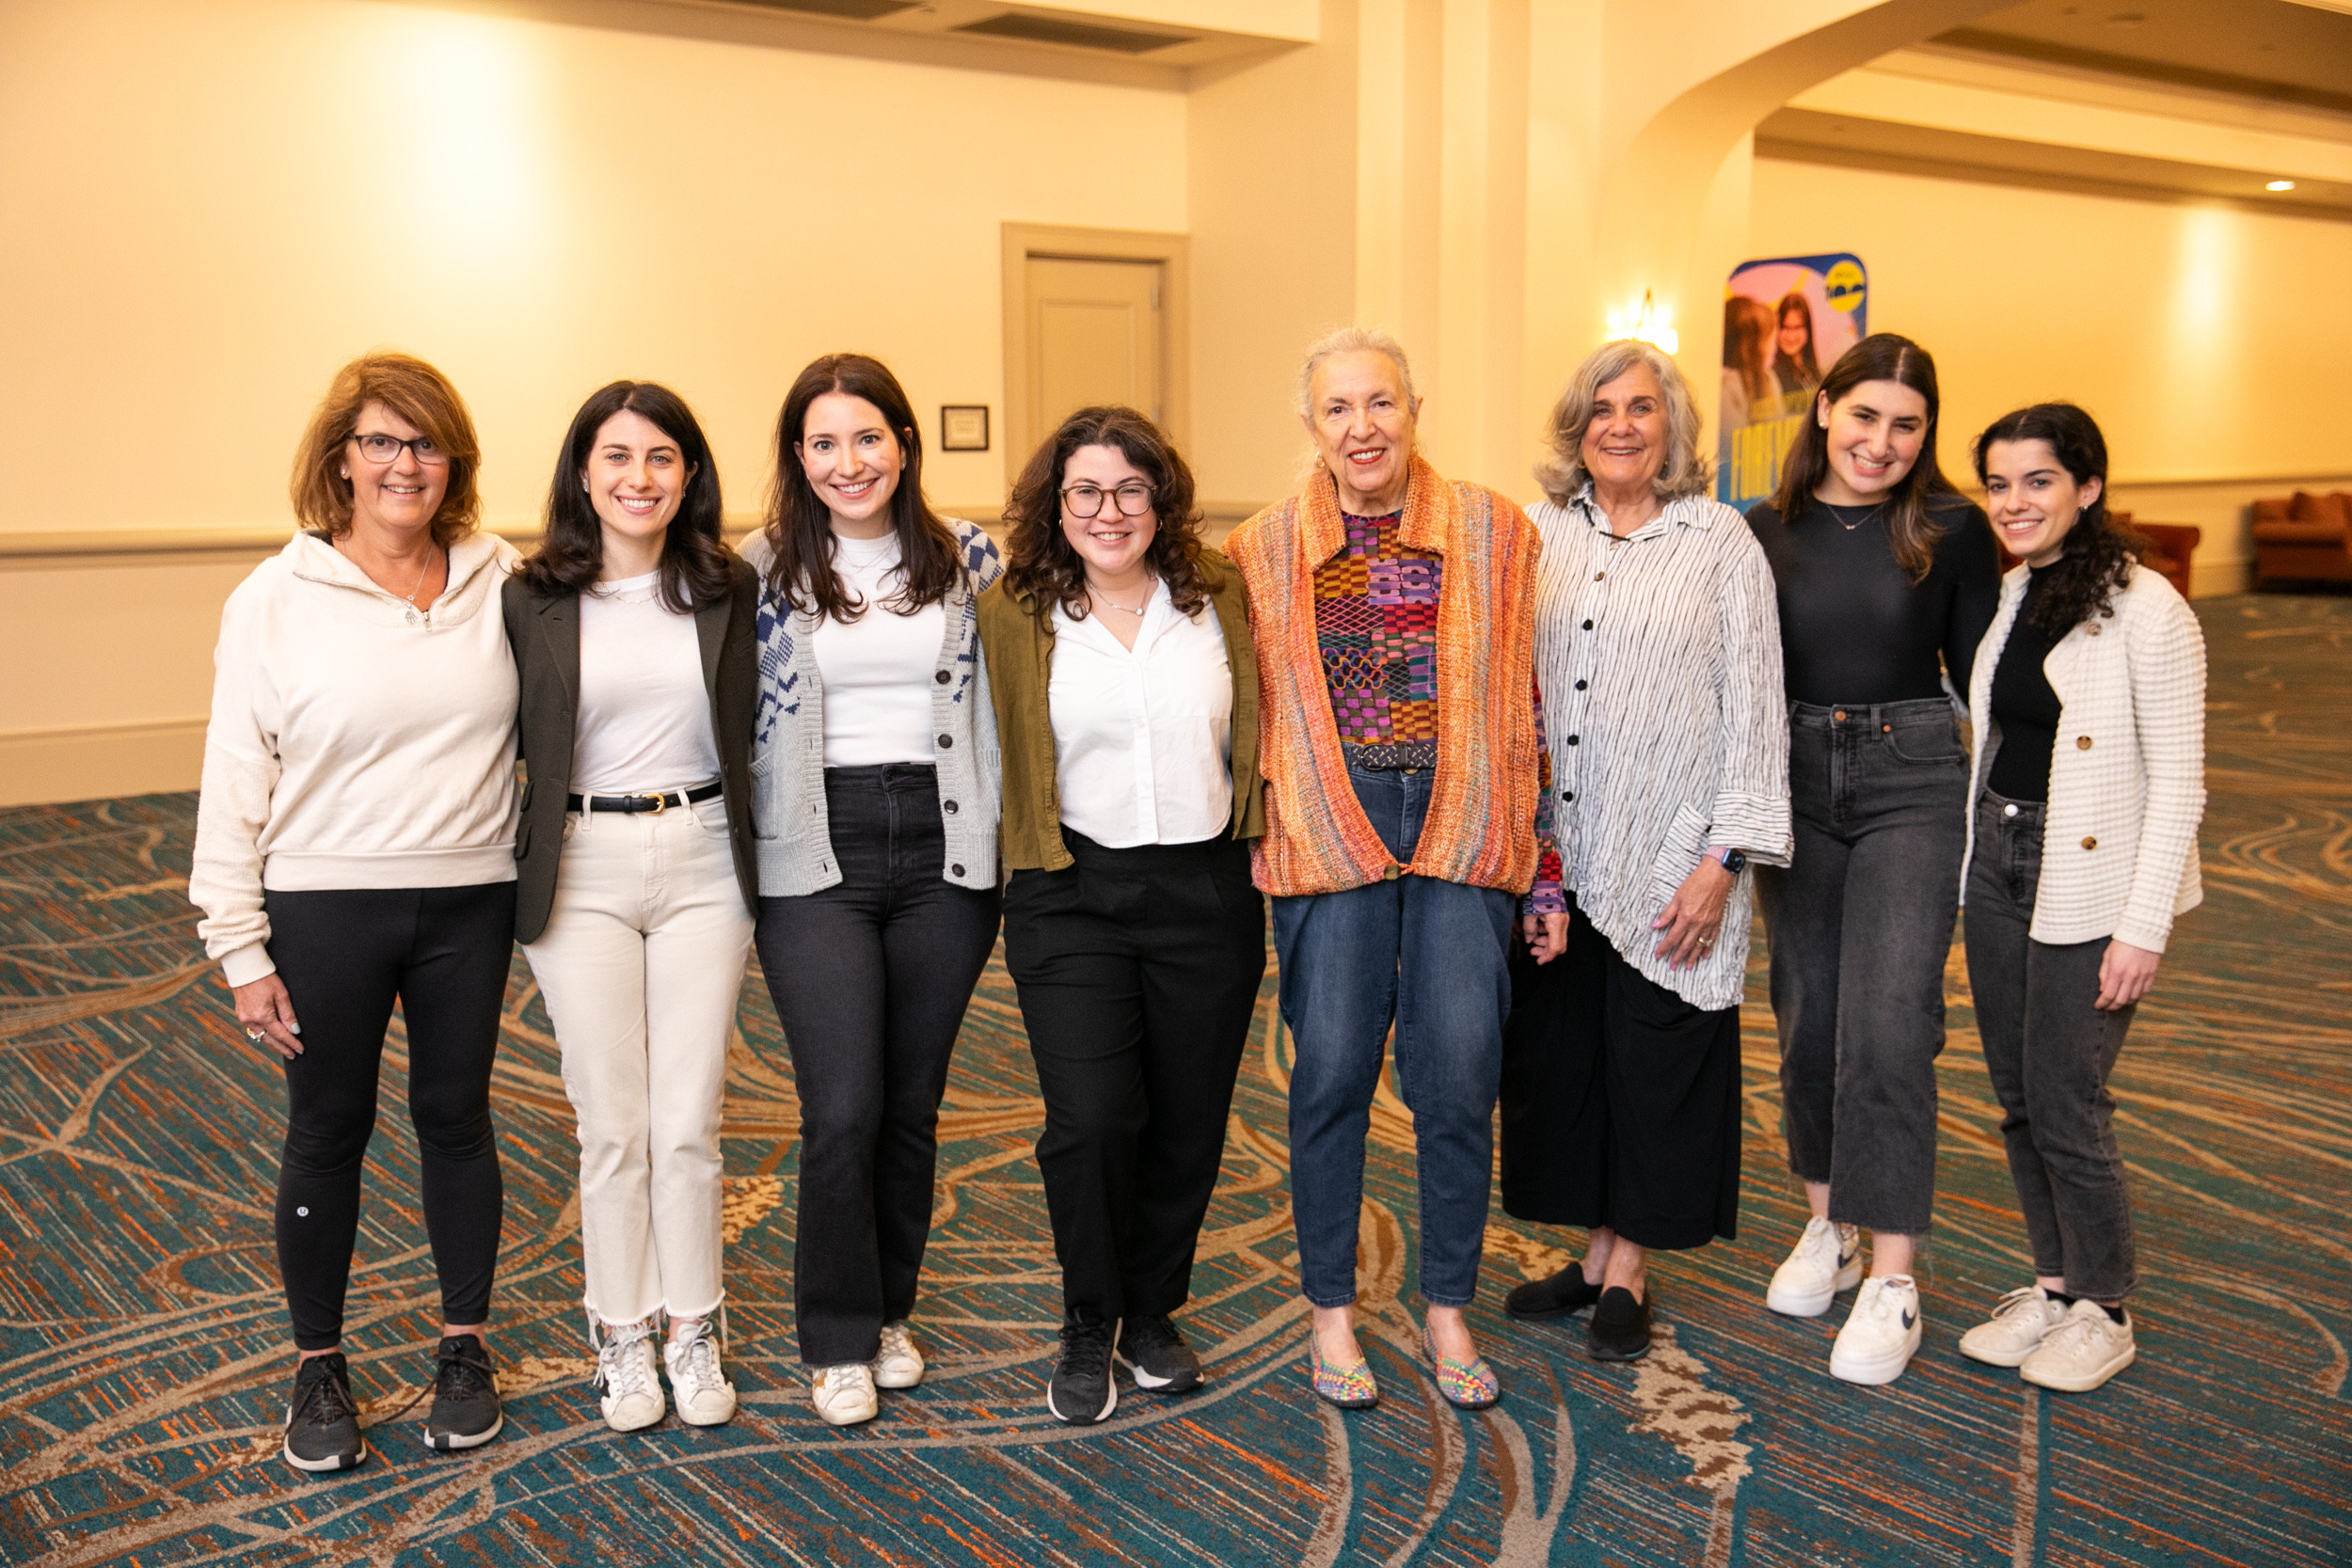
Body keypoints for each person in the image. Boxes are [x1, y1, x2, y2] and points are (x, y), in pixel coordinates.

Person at [190, 352, 519, 1472]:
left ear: (453, 462)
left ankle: (463, 1346)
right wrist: (238, 947)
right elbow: (234, 776)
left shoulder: (498, 576)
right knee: (330, 1127)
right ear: (341, 457)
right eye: (381, 440)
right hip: (325, 902)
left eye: (425, 442)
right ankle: (318, 1362)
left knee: (457, 1115)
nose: (404, 463)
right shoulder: (273, 600)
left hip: (471, 895)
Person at [1224, 326, 1563, 1413]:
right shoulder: (1260, 548)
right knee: (1327, 1072)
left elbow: (1530, 702)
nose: (1361, 427)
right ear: (1310, 425)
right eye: (1338, 409)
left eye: (1380, 404)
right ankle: (1331, 1313)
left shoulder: (1497, 531)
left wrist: (1543, 869)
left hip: (1466, 816)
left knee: (1460, 1070)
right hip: (1330, 823)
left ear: (1416, 408)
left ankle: (1448, 1308)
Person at [1499, 339, 1790, 1363]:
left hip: (1673, 855)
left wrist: (1723, 859)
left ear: (1672, 426)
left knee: (1653, 1060)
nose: (1618, 426)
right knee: (1567, 1062)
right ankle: (1591, 1253)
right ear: (1575, 428)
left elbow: (1757, 712)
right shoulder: (1536, 533)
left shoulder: (1719, 540)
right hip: (1554, 859)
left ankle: (1629, 1267)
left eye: (1640, 408)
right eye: (1599, 410)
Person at [978, 405, 1266, 1426]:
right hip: (1071, 890)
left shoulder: (1221, 594)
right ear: (1055, 506)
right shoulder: (1012, 611)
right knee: (1094, 1119)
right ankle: (1087, 1316)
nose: (1109, 511)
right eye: (1085, 491)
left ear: (1162, 498)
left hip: (1207, 894)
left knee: (1187, 1121)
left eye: (1130, 488)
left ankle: (1153, 1311)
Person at [744, 354, 1004, 1427]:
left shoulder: (971, 560)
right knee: (842, 1104)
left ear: (903, 443)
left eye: (867, 437)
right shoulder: (760, 570)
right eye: (823, 442)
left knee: (911, 1103)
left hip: (945, 847)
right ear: (797, 456)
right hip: (817, 846)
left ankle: (891, 1309)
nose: (847, 462)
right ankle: (836, 1334)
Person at [1743, 334, 2001, 1385]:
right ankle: (1830, 1224)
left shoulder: (1951, 528)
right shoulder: (1762, 530)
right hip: (1793, 775)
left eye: (1906, 425)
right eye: (1864, 417)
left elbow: (1988, 680)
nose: (1881, 442)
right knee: (1806, 1014)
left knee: (1889, 1022)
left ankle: (1894, 1269)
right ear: (1823, 411)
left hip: (1913, 777)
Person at [504, 382, 759, 1433]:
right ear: (581, 472)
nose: (638, 478)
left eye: (661, 458)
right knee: (612, 1121)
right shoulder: (530, 595)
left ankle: (694, 1322)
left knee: (686, 1117)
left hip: (705, 859)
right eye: (616, 457)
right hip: (582, 862)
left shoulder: (728, 584)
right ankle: (619, 1330)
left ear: (689, 474)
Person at [1955, 404, 2204, 1393]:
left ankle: (2106, 1305)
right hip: (2000, 864)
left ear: (2087, 487)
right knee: (2017, 1097)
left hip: (2091, 881)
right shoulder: (2014, 593)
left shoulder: (2151, 609)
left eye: (2038, 481)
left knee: (2067, 1096)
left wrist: (2140, 929)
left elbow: (2180, 783)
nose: (2014, 502)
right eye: (1999, 483)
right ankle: (2054, 1286)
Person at [1720, 295, 1778, 434]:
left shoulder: (1768, 378)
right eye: (1770, 339)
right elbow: (1731, 438)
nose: (1773, 347)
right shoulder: (1726, 383)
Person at [1772, 291, 1823, 406]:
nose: (1791, 336)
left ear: (1807, 329)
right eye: (1785, 327)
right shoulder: (1773, 378)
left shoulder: (1812, 371)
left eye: (1797, 327)